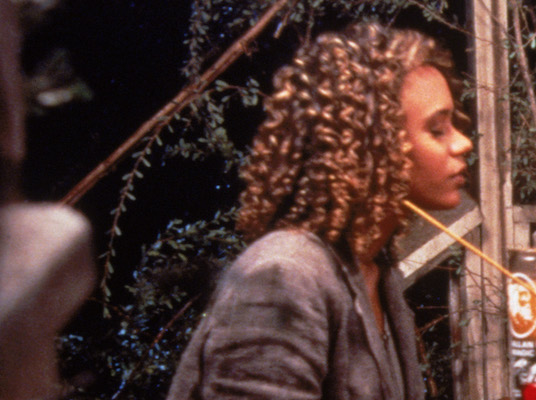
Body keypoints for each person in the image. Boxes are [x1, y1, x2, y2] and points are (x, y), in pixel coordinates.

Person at [167, 22, 472, 400]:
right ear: (372, 146)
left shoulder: (375, 270)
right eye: (437, 129)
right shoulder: (285, 274)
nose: (463, 142)